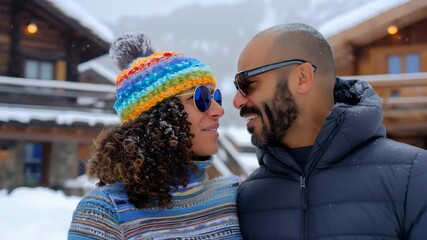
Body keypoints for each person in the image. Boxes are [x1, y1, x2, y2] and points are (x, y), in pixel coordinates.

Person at [233, 23, 427, 239]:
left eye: (247, 83)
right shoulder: (245, 200)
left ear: (302, 78)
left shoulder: (415, 176)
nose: (237, 100)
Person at [68, 32, 242, 240]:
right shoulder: (105, 212)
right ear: (158, 116)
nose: (218, 110)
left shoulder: (235, 196)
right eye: (202, 98)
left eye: (216, 97)